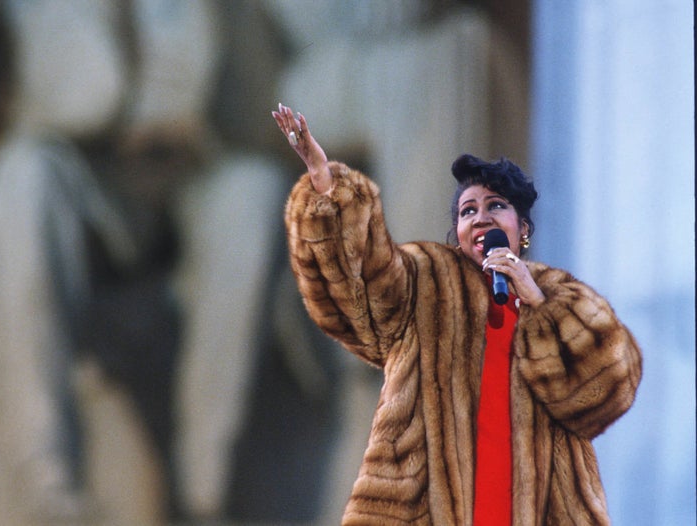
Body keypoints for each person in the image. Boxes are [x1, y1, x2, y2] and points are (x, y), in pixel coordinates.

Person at [272, 103, 642, 525]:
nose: (480, 217)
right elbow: (357, 283)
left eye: (495, 206)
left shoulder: (561, 296)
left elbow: (606, 390)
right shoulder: (422, 281)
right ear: (457, 233)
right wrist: (326, 185)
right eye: (468, 211)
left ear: (522, 230)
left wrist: (539, 304)